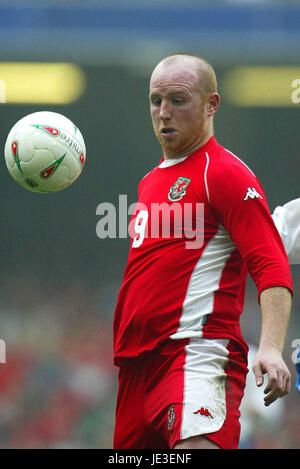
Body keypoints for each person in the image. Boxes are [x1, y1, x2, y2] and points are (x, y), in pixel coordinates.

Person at [113, 53, 293, 450]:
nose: (163, 112)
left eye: (178, 100)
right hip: (135, 373)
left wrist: (270, 347)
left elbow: (270, 262)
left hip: (194, 354)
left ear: (212, 104)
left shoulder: (223, 172)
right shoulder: (149, 183)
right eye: (156, 100)